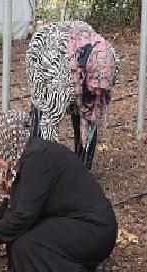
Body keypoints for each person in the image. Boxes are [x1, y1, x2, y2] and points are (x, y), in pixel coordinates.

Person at [0, 111, 117, 272]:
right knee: (22, 242)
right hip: (78, 225)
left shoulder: (38, 161)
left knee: (29, 244)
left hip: (93, 231)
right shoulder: (30, 157)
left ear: (8, 144)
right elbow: (13, 204)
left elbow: (23, 216)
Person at [26, 21, 119, 170]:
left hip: (83, 66)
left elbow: (93, 116)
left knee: (90, 116)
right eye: (97, 86)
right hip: (48, 56)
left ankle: (82, 171)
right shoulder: (61, 80)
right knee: (42, 115)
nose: (99, 92)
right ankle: (41, 169)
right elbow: (49, 123)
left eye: (103, 87)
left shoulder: (109, 62)